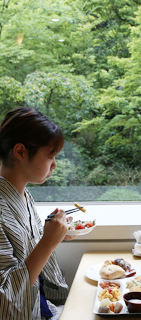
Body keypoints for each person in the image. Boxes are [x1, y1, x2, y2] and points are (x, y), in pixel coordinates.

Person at [0, 107, 74, 320]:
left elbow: (27, 256)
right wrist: (48, 242)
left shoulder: (25, 196)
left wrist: (54, 235)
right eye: (51, 156)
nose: (55, 165)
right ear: (20, 152)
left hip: (42, 307)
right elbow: (4, 297)